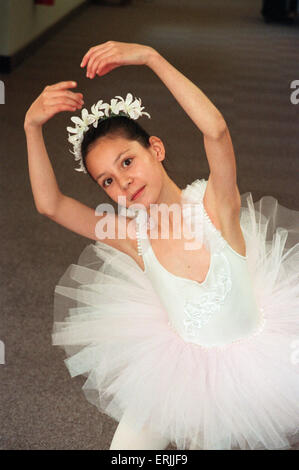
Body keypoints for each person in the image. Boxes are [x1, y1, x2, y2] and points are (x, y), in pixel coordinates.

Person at [24, 41, 299, 450]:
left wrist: (151, 58)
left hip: (256, 369)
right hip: (179, 373)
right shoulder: (134, 238)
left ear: (155, 149)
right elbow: (52, 205)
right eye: (107, 181)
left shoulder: (216, 206)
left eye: (127, 162)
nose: (123, 183)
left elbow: (216, 130)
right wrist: (31, 126)